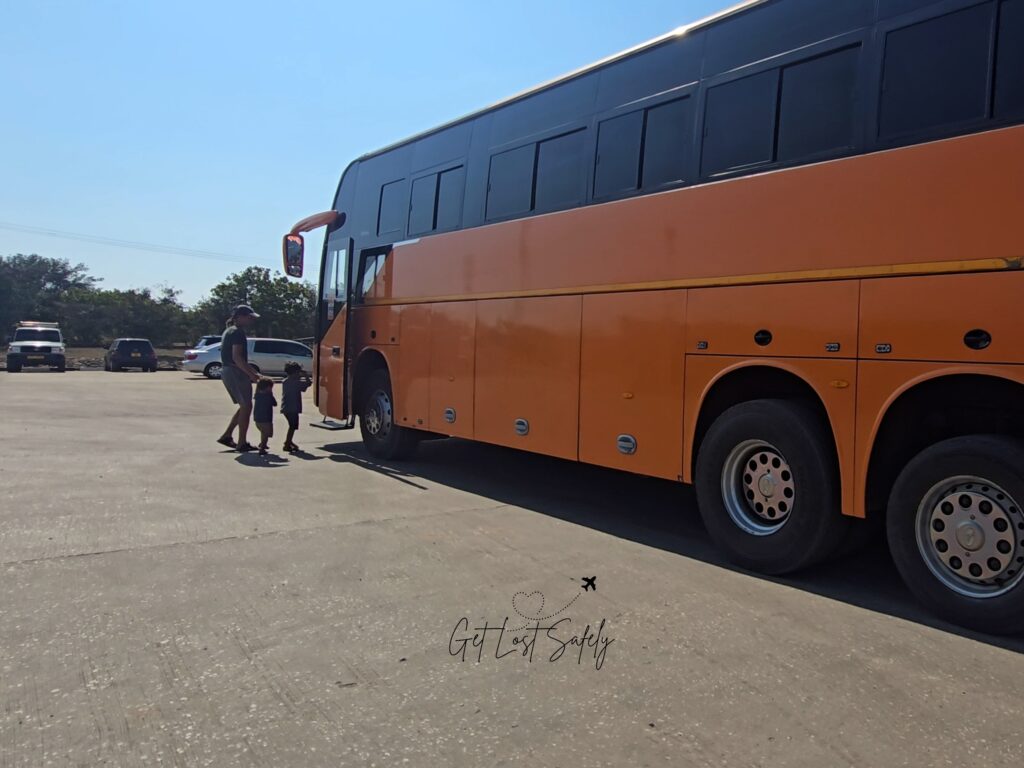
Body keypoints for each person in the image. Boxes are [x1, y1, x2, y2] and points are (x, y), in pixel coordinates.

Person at [216, 304, 262, 452]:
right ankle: (242, 442)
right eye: (249, 317)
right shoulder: (237, 333)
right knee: (247, 406)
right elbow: (237, 358)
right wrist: (252, 375)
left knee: (244, 406)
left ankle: (227, 435)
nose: (251, 320)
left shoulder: (229, 331)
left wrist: (253, 373)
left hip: (230, 370)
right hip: (234, 371)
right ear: (239, 317)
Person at [281, 362, 312, 452]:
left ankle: (289, 441)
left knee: (292, 426)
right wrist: (306, 376)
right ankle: (287, 443)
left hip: (286, 407)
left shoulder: (285, 381)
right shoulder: (295, 383)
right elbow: (308, 384)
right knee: (292, 426)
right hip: (292, 408)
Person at [253, 378, 277, 455]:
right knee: (266, 434)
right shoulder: (268, 396)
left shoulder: (257, 395)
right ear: (268, 388)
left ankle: (263, 444)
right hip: (266, 418)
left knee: (264, 433)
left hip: (257, 417)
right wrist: (271, 394)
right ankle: (262, 448)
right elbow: (275, 404)